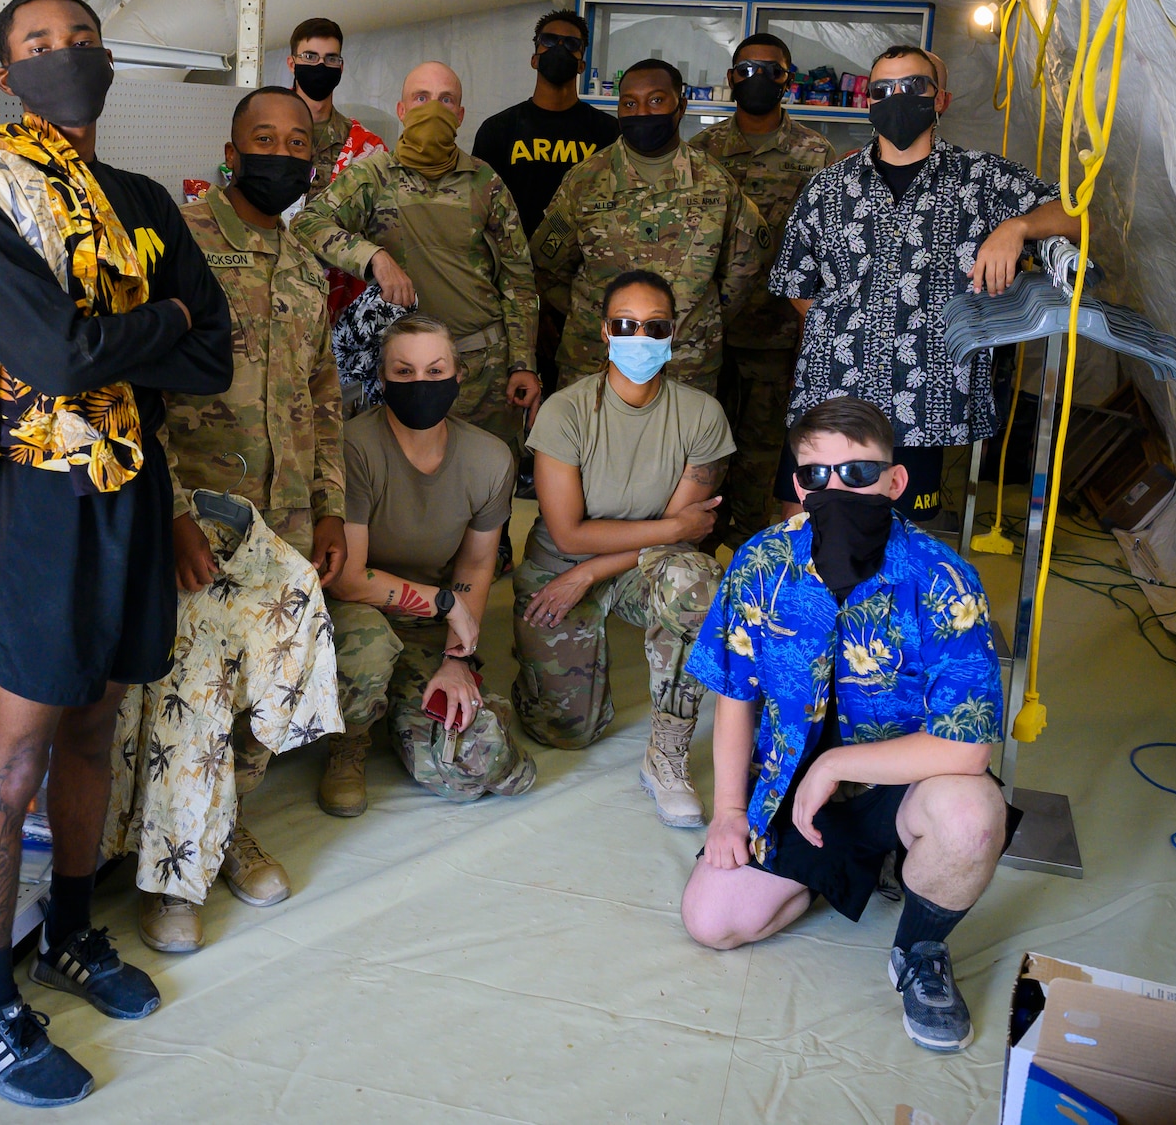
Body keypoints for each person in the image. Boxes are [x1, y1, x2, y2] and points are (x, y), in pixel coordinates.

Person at [0, 0, 234, 1108]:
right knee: (12, 756)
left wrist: (130, 340)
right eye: (37, 45)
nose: (65, 57)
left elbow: (216, 362)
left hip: (133, 490)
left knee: (99, 719)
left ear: (105, 58)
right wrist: (154, 329)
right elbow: (55, 358)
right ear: (5, 75)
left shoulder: (145, 199)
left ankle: (66, 930)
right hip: (40, 499)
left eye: (80, 40)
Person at [680, 397, 1011, 1054]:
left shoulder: (943, 578)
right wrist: (727, 811)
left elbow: (968, 745)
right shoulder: (761, 562)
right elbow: (736, 694)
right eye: (818, 476)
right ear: (799, 485)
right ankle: (844, 870)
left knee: (972, 815)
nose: (836, 490)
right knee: (710, 920)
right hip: (789, 785)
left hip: (902, 781)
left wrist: (837, 765)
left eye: (858, 474)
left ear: (894, 481)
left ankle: (919, 945)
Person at [131, 85, 349, 953]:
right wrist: (175, 509)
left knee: (261, 695)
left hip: (283, 520)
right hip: (198, 520)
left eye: (297, 140)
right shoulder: (179, 241)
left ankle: (221, 831)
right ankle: (172, 878)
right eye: (265, 136)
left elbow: (324, 396)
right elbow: (138, 391)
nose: (282, 152)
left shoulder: (301, 263)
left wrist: (331, 508)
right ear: (232, 144)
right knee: (193, 696)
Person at [769, 44, 1079, 523]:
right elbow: (796, 280)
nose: (896, 97)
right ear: (868, 101)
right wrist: (856, 331)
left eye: (913, 86)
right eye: (882, 89)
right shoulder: (828, 188)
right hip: (833, 391)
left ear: (941, 100)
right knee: (804, 524)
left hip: (924, 405)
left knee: (902, 542)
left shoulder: (982, 180)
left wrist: (1016, 228)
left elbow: (1078, 216)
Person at [514, 270, 730, 827]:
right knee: (566, 733)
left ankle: (667, 753)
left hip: (642, 567)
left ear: (672, 332)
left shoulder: (701, 416)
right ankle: (538, 672)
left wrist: (595, 572)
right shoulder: (565, 411)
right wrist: (664, 534)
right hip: (561, 564)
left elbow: (684, 537)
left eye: (653, 326)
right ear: (606, 331)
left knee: (696, 583)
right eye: (626, 325)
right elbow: (569, 535)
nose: (640, 336)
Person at [318, 313, 537, 814]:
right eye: (404, 372)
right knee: (370, 651)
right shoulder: (354, 448)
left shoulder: (489, 458)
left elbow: (478, 564)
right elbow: (350, 579)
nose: (421, 384)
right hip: (355, 617)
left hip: (431, 625)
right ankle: (348, 745)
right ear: (382, 378)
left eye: (436, 372)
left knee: (477, 773)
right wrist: (443, 605)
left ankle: (410, 706)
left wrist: (456, 659)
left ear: (459, 376)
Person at [291, 61, 540, 462]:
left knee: (487, 490)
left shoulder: (485, 182)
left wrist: (524, 364)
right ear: (402, 110)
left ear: (460, 115)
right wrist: (373, 256)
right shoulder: (373, 176)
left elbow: (518, 279)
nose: (433, 108)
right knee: (400, 493)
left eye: (446, 100)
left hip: (481, 371)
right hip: (404, 372)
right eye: (421, 98)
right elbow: (307, 223)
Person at [530, 59, 766, 397]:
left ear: (680, 106)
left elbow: (744, 269)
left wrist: (696, 317)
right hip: (597, 361)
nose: (641, 111)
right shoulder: (585, 181)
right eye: (629, 103)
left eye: (656, 100)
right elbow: (548, 267)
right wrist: (593, 312)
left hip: (685, 365)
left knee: (681, 450)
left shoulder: (716, 183)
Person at [686, 33, 837, 550]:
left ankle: (754, 555)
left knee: (762, 451)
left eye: (771, 70)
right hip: (707, 331)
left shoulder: (814, 152)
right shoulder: (702, 151)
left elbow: (827, 246)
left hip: (777, 333)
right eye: (746, 69)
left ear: (786, 80)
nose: (758, 79)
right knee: (700, 447)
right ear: (730, 78)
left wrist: (811, 333)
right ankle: (698, 554)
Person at [470, 9, 620, 240]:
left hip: (584, 265)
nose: (559, 48)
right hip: (515, 264)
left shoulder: (609, 132)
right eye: (549, 40)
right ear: (534, 59)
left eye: (571, 44)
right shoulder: (498, 129)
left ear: (582, 65)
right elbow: (480, 208)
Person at [286, 15, 387, 190]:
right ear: (292, 64)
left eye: (331, 58)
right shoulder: (264, 132)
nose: (320, 65)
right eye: (310, 56)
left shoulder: (365, 146)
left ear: (341, 68)